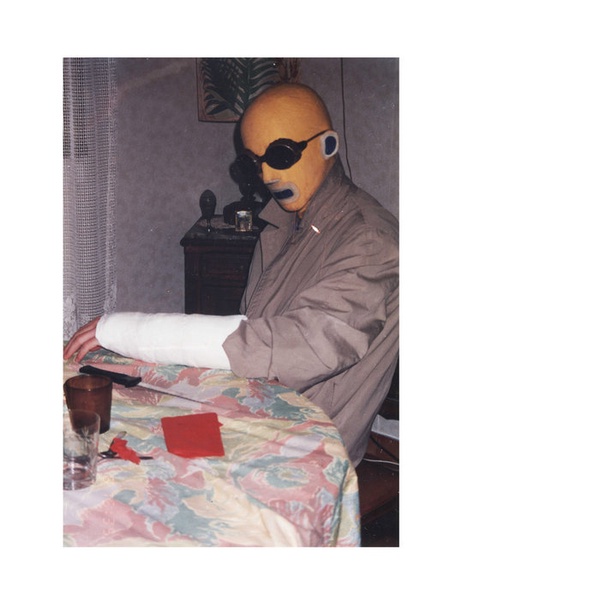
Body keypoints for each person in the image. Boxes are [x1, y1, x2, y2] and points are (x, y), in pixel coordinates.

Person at [64, 83, 399, 466]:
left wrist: (135, 330)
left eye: (281, 155)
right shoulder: (286, 221)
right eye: (256, 162)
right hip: (259, 410)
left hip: (306, 441)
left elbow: (305, 344)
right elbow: (252, 328)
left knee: (148, 474)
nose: (268, 174)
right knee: (124, 435)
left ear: (328, 145)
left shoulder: (370, 239)